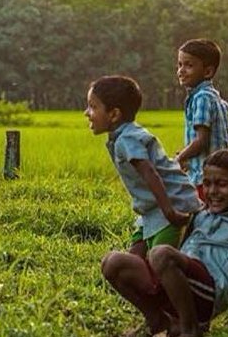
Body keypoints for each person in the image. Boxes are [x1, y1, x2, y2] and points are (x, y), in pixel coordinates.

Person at [102, 149, 228, 337]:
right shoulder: (200, 214)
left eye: (222, 184)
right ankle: (157, 319)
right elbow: (183, 248)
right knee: (112, 262)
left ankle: (191, 330)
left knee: (160, 254)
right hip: (181, 284)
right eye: (207, 183)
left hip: (210, 290)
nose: (212, 191)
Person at [85, 75, 202, 259]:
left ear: (114, 114)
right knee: (133, 262)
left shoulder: (126, 139)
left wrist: (170, 212)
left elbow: (150, 173)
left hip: (170, 208)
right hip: (151, 212)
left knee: (160, 262)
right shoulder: (125, 135)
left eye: (93, 107)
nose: (87, 112)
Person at [176, 38, 228, 199]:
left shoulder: (200, 98)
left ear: (207, 72)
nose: (181, 70)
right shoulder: (219, 100)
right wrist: (188, 151)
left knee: (203, 218)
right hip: (225, 174)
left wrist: (180, 157)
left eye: (189, 65)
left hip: (205, 178)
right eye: (180, 65)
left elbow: (202, 140)